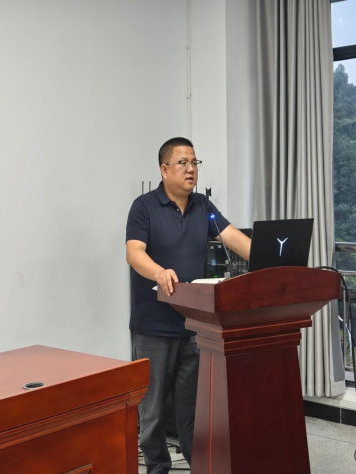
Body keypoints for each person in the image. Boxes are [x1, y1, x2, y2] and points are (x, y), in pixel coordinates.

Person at [126, 137, 251, 473]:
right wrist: (159, 271)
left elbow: (233, 237)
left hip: (194, 326)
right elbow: (134, 253)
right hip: (154, 327)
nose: (190, 169)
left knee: (193, 410)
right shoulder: (144, 207)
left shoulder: (203, 207)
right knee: (152, 412)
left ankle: (201, 466)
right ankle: (157, 468)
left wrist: (272, 259)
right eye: (182, 163)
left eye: (194, 162)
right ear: (164, 169)